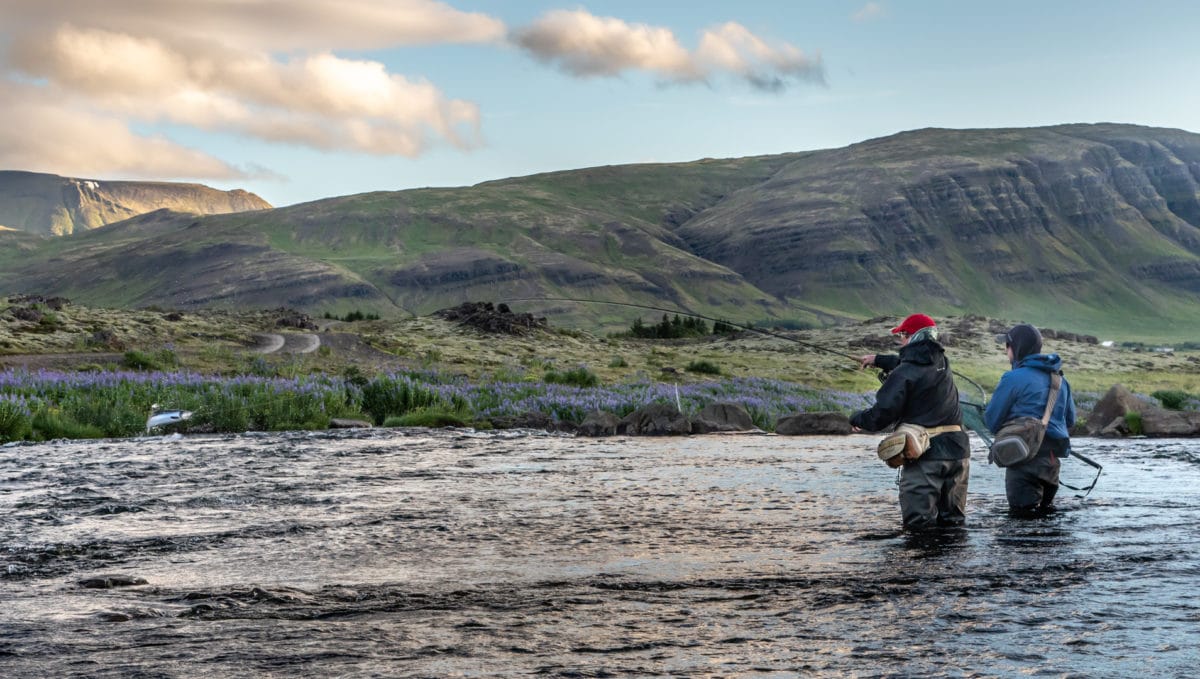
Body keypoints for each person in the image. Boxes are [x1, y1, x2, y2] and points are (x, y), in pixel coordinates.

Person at [850, 313, 971, 530]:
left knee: (919, 530)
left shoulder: (905, 372)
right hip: (959, 454)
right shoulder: (942, 361)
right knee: (953, 527)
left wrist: (856, 418)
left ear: (912, 337)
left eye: (903, 336)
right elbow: (911, 362)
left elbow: (881, 415)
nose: (901, 342)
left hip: (926, 457)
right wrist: (877, 359)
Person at [984, 323, 1076, 516]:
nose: (1005, 350)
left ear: (1015, 348)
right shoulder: (1060, 380)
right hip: (1051, 464)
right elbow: (1070, 421)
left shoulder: (1012, 378)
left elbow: (991, 422)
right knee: (1046, 523)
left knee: (1022, 526)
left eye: (1007, 345)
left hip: (1022, 460)